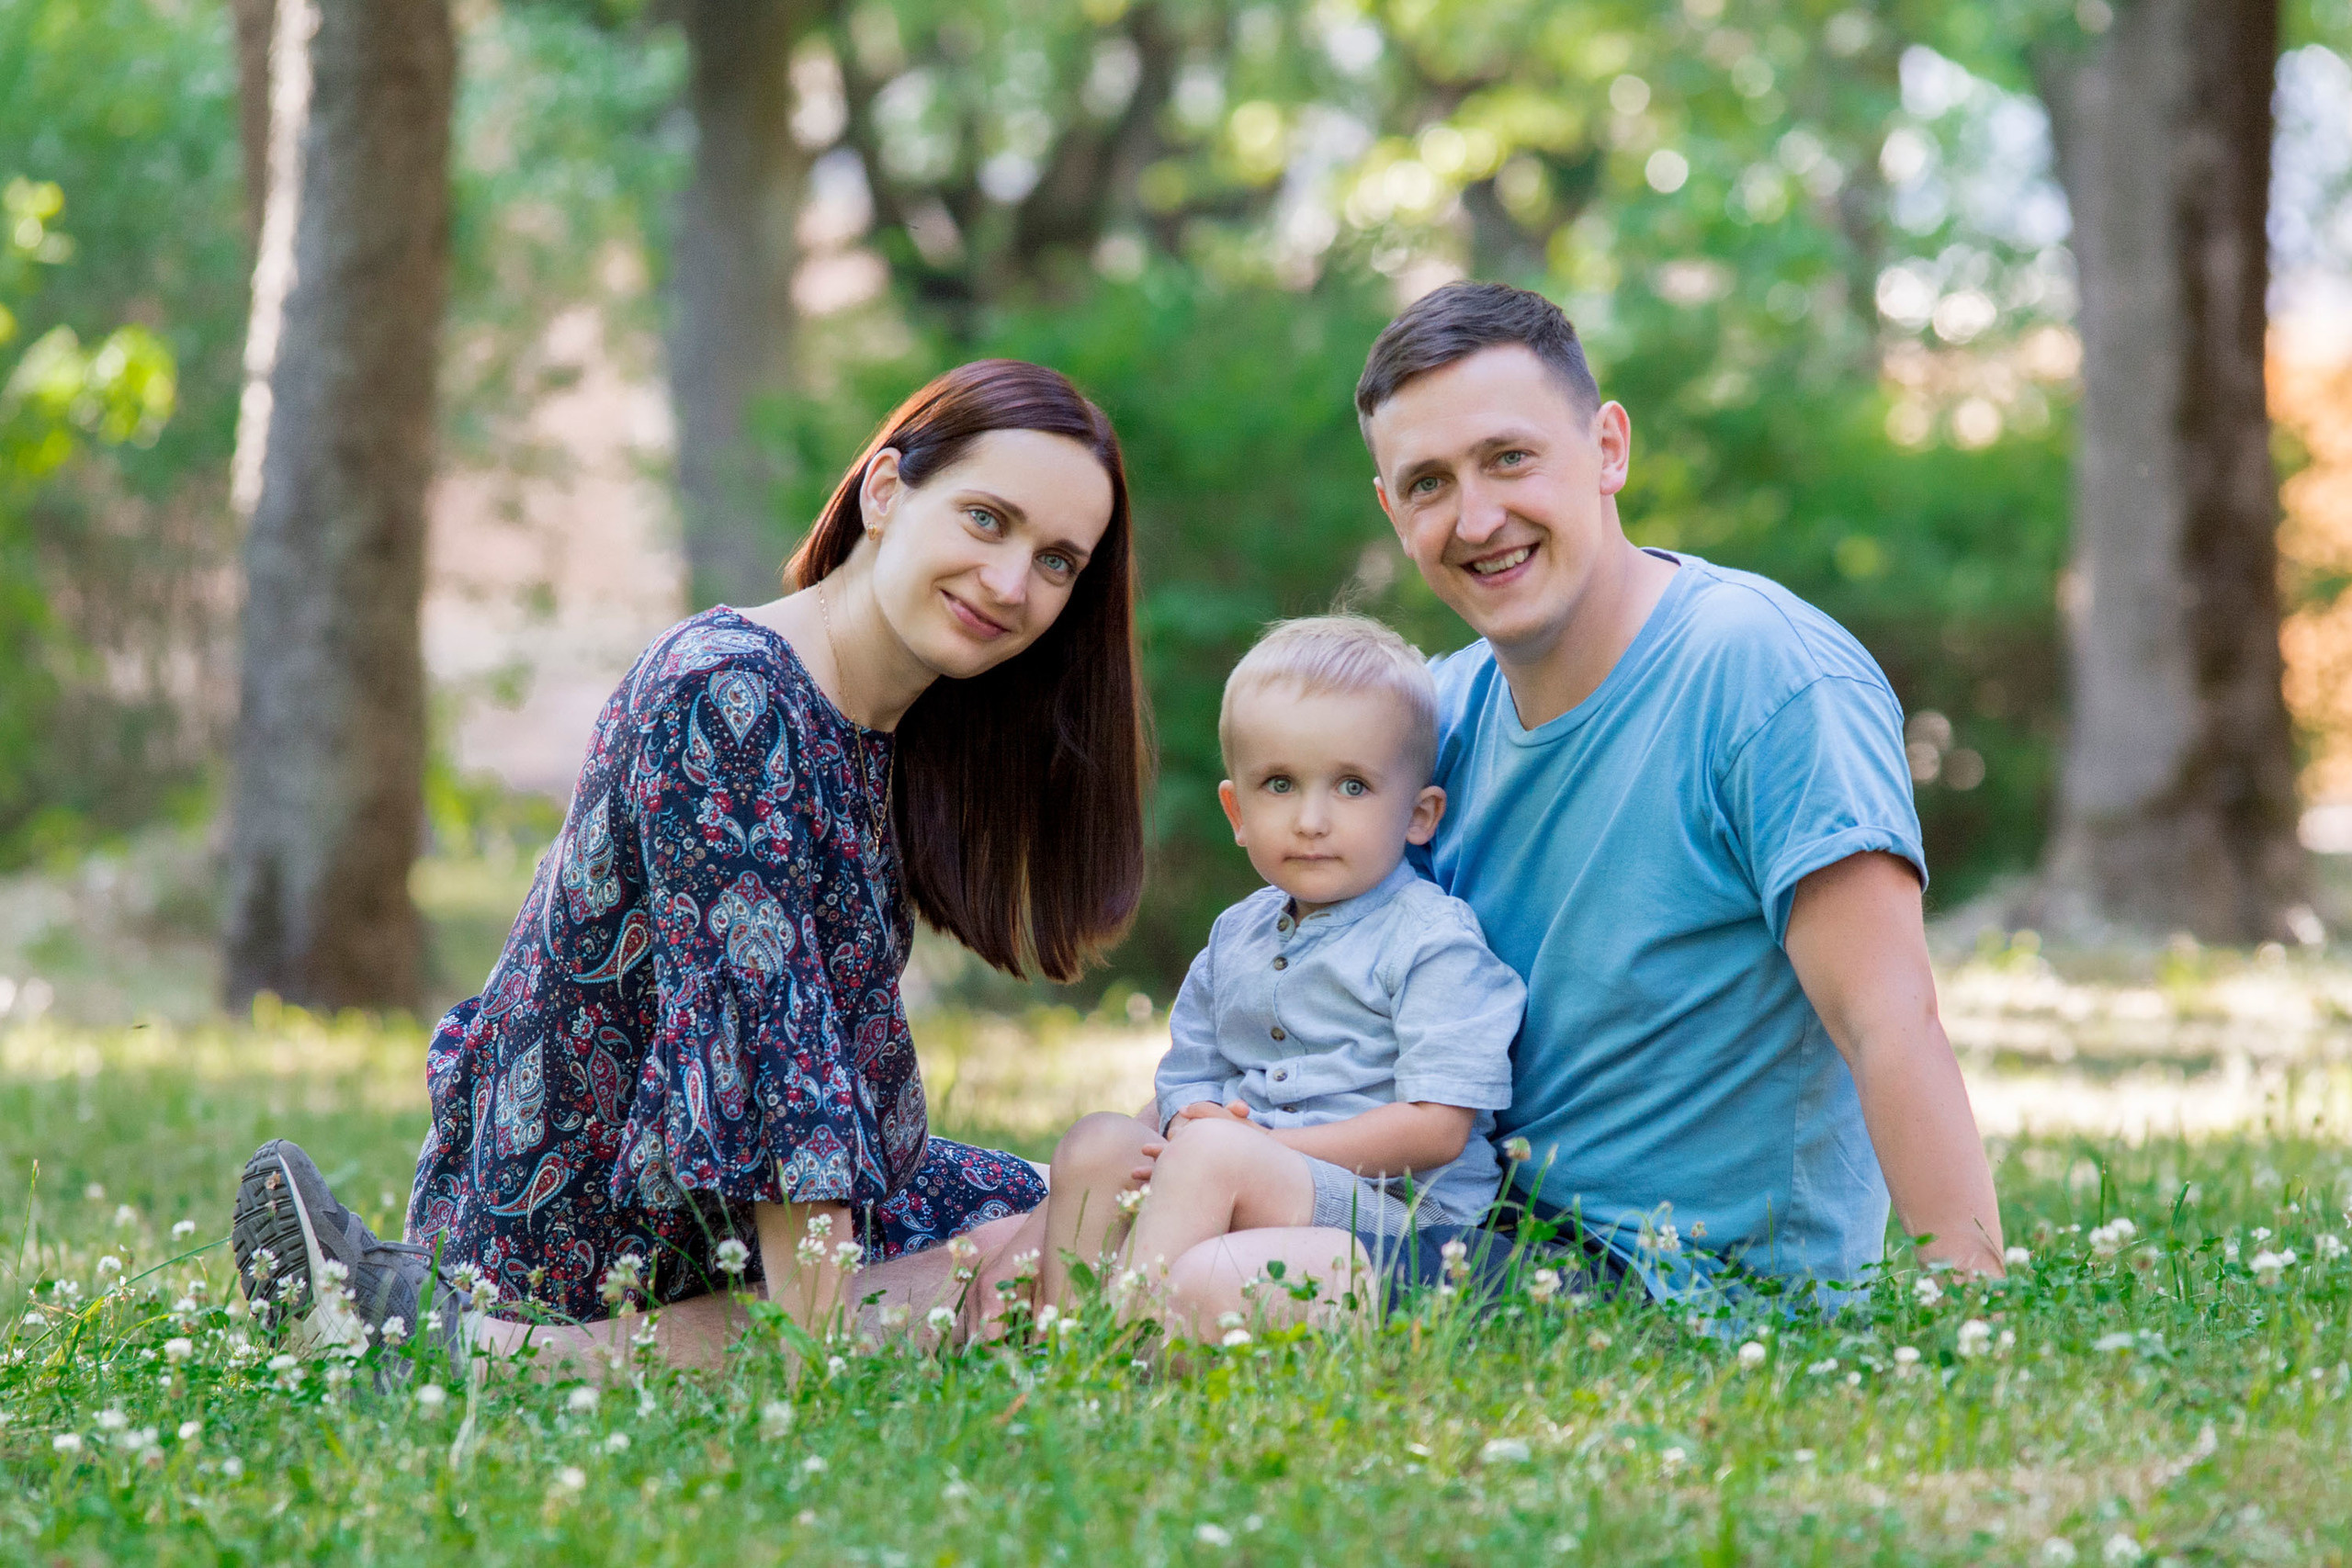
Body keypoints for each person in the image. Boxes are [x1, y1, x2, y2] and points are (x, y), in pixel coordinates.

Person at [1109, 280, 2006, 1327]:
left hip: (1680, 1283)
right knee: (1076, 1214)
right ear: (1393, 511)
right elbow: (1297, 982)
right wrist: (1163, 1154)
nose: (1477, 517)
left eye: (1509, 458)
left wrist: (1965, 1326)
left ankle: (1095, 1381)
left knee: (1210, 1289)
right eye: (1429, 483)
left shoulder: (1764, 676)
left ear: (1608, 449)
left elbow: (1888, 1021)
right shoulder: (1428, 718)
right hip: (1469, 1230)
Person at [230, 358, 1149, 1371]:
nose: (1012, 583)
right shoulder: (731, 696)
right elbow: (774, 1074)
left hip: (726, 1197)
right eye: (986, 519)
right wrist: (827, 1347)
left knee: (1101, 1202)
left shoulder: (888, 723)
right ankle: (471, 1350)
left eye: (1057, 562)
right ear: (885, 492)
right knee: (1024, 1258)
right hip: (593, 1218)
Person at [1041, 616, 1523, 1332]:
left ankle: (1124, 1357)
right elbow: (1188, 1080)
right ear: (1237, 810)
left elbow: (1438, 1128)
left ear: (1420, 815)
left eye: (1353, 786)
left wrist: (1253, 1147)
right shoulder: (1236, 934)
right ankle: (1060, 1340)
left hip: (1398, 1213)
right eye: (1279, 784)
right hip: (1241, 1165)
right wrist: (1191, 1117)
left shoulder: (1431, 939)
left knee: (1209, 1155)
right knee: (1096, 1142)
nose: (1312, 819)